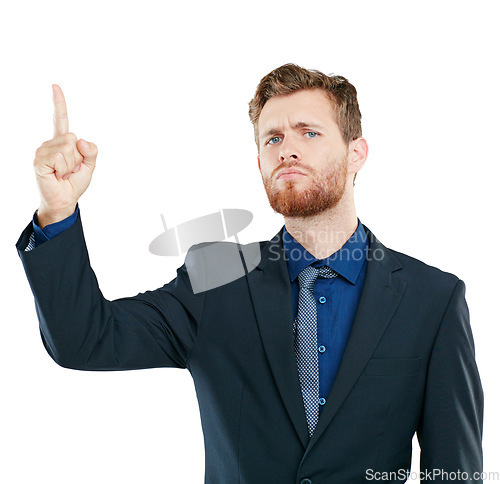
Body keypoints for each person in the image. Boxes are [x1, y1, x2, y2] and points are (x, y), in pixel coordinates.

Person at [16, 64, 483, 483]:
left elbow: (454, 471)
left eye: (309, 133)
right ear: (259, 160)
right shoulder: (215, 275)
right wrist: (58, 211)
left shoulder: (432, 298)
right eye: (273, 139)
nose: (287, 151)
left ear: (357, 152)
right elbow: (84, 340)